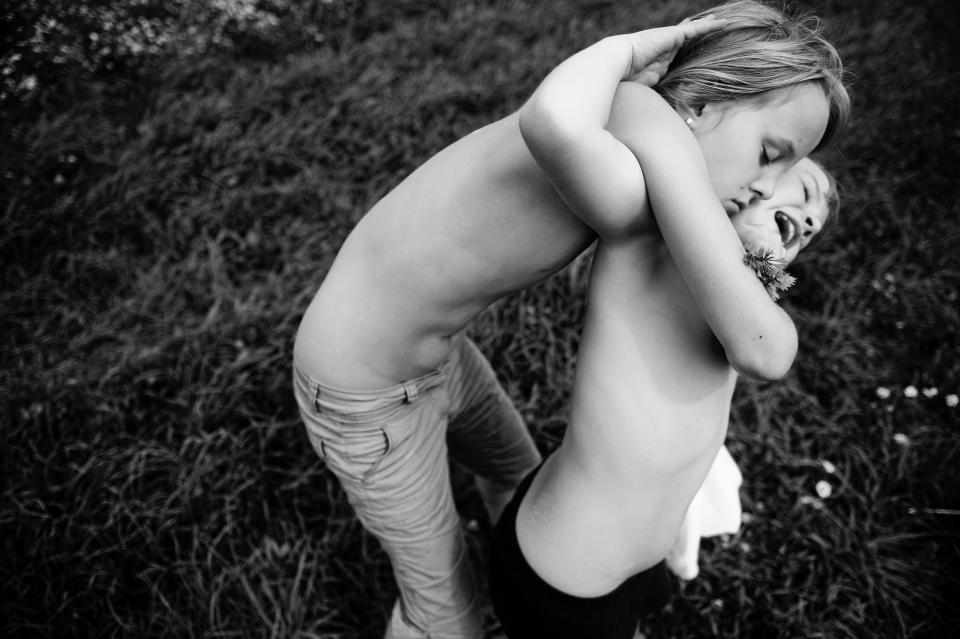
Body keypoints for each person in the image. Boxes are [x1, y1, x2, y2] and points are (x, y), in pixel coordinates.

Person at [292, 1, 847, 636]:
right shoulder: (636, 135)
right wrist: (639, 45)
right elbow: (549, 118)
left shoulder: (631, 130)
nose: (766, 184)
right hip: (360, 386)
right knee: (442, 607)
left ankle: (527, 586)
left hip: (437, 353)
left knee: (511, 467)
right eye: (769, 154)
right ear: (701, 105)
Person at [487, 49, 844, 635]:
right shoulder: (648, 229)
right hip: (564, 577)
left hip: (634, 561)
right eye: (793, 180)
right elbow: (767, 353)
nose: (806, 220)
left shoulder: (729, 289)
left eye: (811, 230)